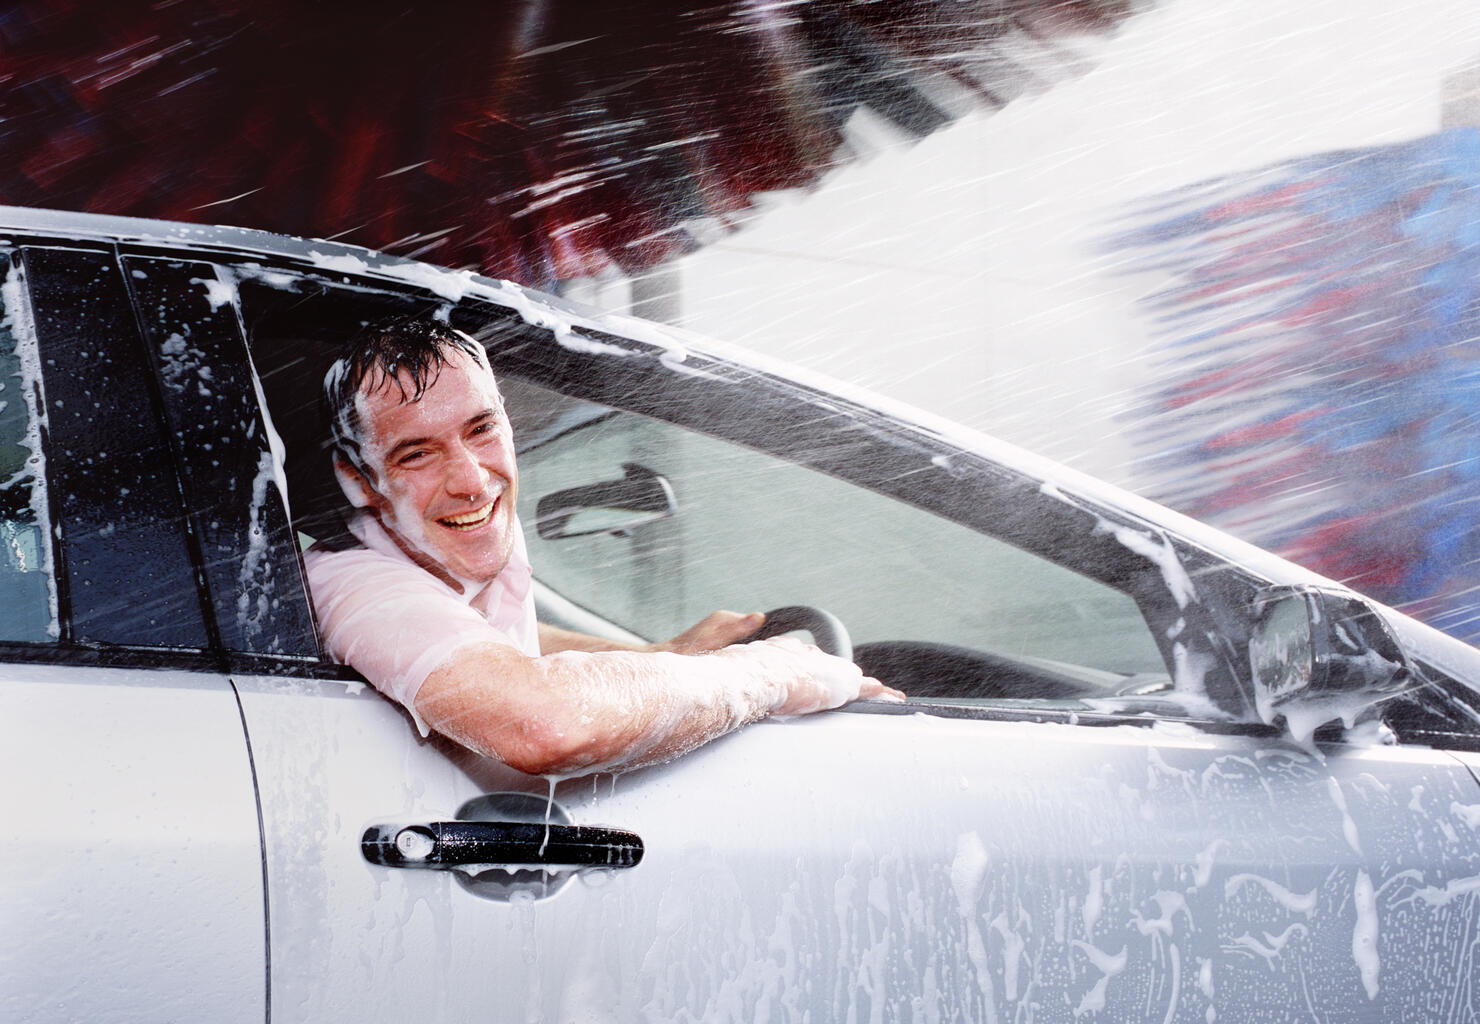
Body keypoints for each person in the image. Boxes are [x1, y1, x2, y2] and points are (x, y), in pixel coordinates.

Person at [305, 317, 901, 776]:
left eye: (481, 429)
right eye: (417, 453)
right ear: (358, 480)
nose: (472, 480)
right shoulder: (357, 585)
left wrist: (662, 657)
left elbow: (483, 639)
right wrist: (768, 674)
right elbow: (546, 725)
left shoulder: (436, 535)